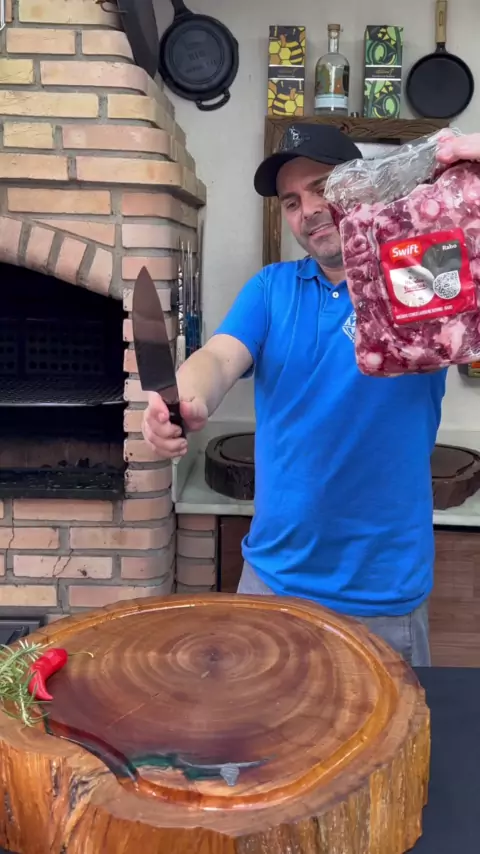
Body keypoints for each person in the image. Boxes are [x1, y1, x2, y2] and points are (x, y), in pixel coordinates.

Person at [143, 125, 480, 667]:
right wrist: (182, 397)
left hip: (383, 592)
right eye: (292, 202)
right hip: (273, 582)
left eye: (322, 187)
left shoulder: (418, 271)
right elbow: (220, 358)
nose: (309, 211)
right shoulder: (272, 289)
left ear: (363, 185)